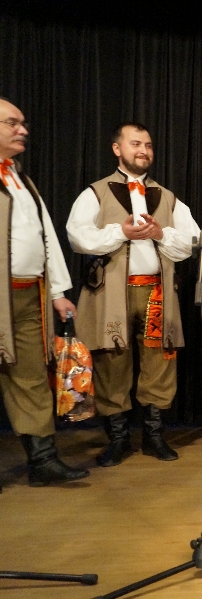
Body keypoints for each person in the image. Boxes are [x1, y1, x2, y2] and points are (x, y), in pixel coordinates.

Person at [67, 122, 200, 467]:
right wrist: (120, 232)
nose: (143, 150)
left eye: (148, 145)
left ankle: (154, 436)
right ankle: (118, 438)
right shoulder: (96, 193)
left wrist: (161, 234)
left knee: (159, 363)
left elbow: (191, 241)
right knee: (112, 362)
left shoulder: (167, 197)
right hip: (112, 293)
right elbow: (78, 236)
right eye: (136, 143)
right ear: (117, 149)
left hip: (156, 291)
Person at [0, 97, 89, 487]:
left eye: (23, 123)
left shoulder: (22, 180)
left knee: (32, 375)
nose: (23, 130)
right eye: (12, 123)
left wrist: (56, 291)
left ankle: (43, 461)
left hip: (27, 293)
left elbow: (45, 237)